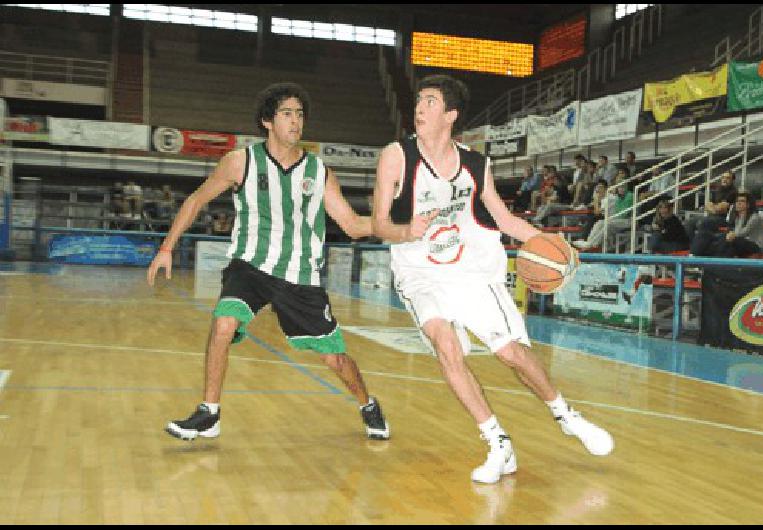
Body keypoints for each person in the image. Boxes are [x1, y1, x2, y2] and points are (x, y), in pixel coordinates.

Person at [372, 74, 613, 484]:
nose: (419, 108)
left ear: (450, 114)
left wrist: (550, 243)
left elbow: (502, 220)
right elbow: (379, 223)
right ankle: (498, 442)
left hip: (470, 271)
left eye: (430, 102)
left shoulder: (474, 163)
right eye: (419, 101)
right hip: (419, 272)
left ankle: (566, 416)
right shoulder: (396, 156)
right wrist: (404, 230)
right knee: (446, 346)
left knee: (511, 354)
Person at [147, 82, 390, 442]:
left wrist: (399, 228)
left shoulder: (318, 171)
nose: (296, 121)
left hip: (299, 276)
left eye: (300, 114)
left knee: (334, 360)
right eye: (287, 114)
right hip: (250, 266)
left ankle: (367, 403)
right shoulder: (240, 162)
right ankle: (209, 412)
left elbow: (354, 226)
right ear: (267, 121)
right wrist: (167, 247)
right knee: (224, 323)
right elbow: (196, 200)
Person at [691, 191, 763, 257]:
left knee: (729, 240)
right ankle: (694, 256)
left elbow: (743, 233)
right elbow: (736, 233)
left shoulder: (755, 217)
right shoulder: (738, 217)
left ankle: (717, 262)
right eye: (737, 201)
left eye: (742, 201)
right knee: (705, 235)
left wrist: (730, 235)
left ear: (748, 205)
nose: (738, 203)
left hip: (755, 245)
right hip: (740, 242)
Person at [573, 169, 634, 250]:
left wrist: (611, 218)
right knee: (600, 222)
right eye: (619, 187)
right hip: (617, 220)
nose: (620, 189)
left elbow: (624, 214)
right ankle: (588, 241)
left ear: (626, 187)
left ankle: (593, 244)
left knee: (607, 223)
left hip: (627, 221)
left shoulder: (630, 196)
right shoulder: (618, 198)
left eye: (622, 187)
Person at [684, 170, 737, 241]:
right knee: (689, 222)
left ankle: (703, 246)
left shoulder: (733, 192)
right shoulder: (718, 190)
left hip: (724, 219)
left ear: (732, 180)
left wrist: (713, 208)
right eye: (723, 177)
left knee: (703, 223)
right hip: (712, 216)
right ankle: (692, 245)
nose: (724, 179)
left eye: (728, 178)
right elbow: (708, 205)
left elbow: (720, 209)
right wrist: (714, 208)